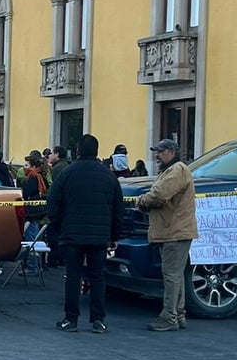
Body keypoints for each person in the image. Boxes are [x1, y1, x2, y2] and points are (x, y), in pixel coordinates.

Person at [45, 134, 124, 333]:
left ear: (78, 151)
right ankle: (98, 320)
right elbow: (118, 209)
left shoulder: (67, 173)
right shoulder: (108, 176)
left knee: (73, 277)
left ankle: (71, 319)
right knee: (97, 277)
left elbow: (52, 204)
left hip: (72, 235)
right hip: (99, 237)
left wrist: (59, 226)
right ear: (97, 151)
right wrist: (114, 236)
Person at [136, 138, 198, 332]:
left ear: (172, 152)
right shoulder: (173, 170)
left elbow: (160, 194)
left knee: (171, 276)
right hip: (173, 230)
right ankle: (178, 315)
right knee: (175, 275)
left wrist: (143, 200)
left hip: (174, 231)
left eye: (161, 151)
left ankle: (169, 316)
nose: (157, 155)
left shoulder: (176, 170)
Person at [21, 151, 50, 274]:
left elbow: (26, 192)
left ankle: (32, 266)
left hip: (32, 212)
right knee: (34, 237)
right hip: (38, 211)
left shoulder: (33, 177)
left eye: (26, 165)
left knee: (31, 239)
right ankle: (36, 265)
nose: (24, 168)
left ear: (33, 167)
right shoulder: (40, 176)